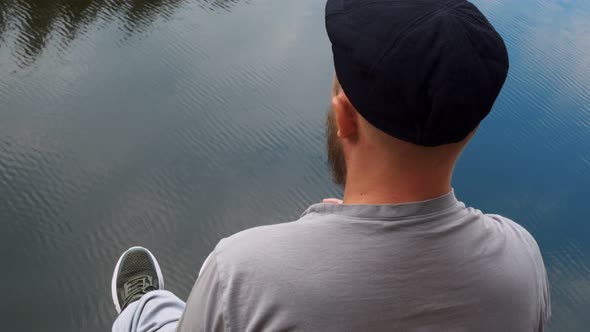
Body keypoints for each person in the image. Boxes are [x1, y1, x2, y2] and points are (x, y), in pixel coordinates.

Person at [111, 0, 551, 331]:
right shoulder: (522, 263)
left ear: (344, 116)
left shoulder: (243, 274)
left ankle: (142, 309)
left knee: (158, 320)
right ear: (471, 130)